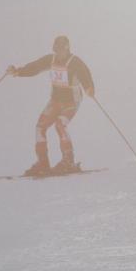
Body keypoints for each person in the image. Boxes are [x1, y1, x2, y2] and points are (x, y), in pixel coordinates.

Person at [6, 36, 95, 176]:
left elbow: (85, 74)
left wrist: (89, 87)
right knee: (40, 127)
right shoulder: (51, 59)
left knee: (60, 125)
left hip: (71, 101)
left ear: (67, 49)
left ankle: (68, 162)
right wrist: (18, 71)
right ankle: (43, 163)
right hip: (55, 100)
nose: (59, 53)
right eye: (56, 50)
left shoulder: (75, 62)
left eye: (61, 50)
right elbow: (35, 67)